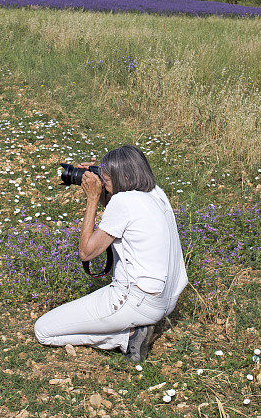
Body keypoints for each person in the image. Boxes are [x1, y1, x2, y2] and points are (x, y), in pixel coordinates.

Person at [34, 145, 188, 363]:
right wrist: (103, 176)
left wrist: (93, 198)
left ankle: (127, 337)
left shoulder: (123, 203)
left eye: (106, 181)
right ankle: (133, 328)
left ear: (123, 178)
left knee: (44, 330)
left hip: (136, 302)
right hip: (166, 301)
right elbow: (122, 213)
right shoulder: (156, 193)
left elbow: (86, 252)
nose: (103, 185)